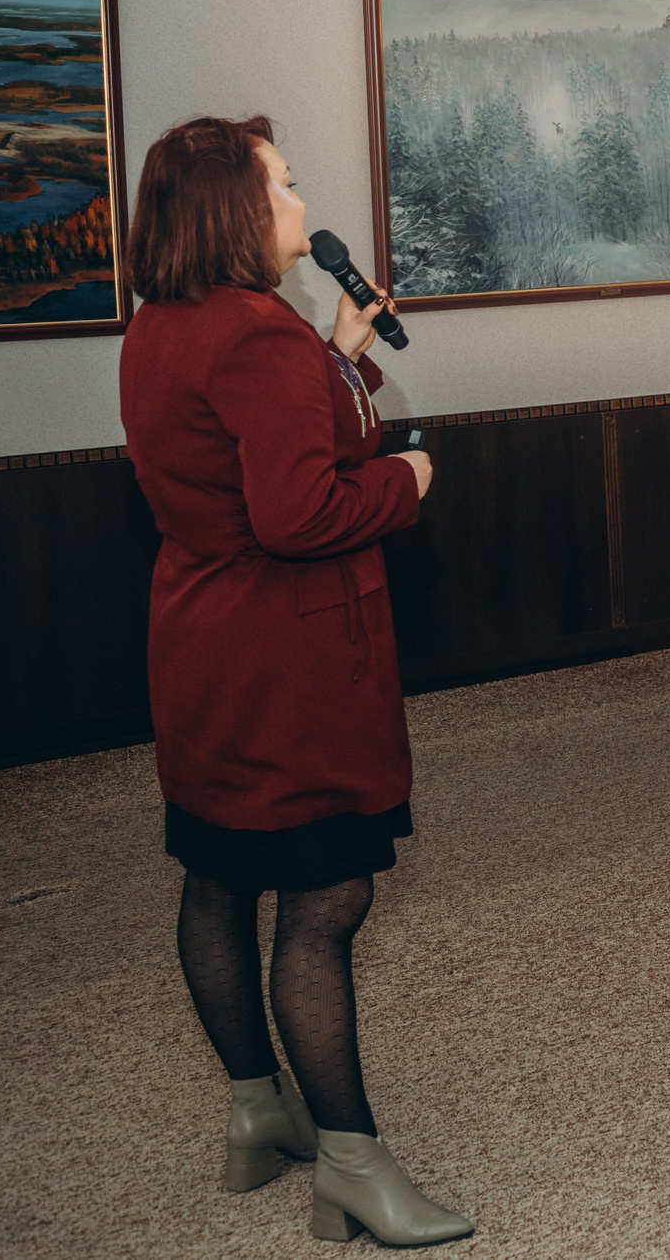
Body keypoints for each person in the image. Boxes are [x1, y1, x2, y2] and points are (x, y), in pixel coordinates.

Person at [116, 116, 469, 1245]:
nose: (296, 202)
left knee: (218, 877)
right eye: (283, 184)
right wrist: (408, 478)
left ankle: (256, 1110)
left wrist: (342, 347)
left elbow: (261, 448)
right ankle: (355, 1166)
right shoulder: (257, 338)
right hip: (289, 660)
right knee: (324, 903)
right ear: (232, 206)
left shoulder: (162, 325)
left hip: (200, 644)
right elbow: (303, 508)